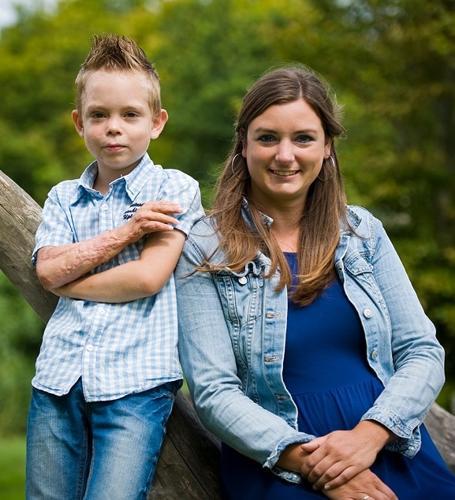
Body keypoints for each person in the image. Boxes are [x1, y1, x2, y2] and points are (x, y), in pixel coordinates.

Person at [175, 66, 455, 499]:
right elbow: (214, 392)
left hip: (388, 444)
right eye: (268, 138)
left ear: (327, 147)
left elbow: (422, 351)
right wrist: (316, 465)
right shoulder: (205, 246)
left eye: (303, 138)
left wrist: (369, 436)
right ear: (243, 145)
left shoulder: (363, 233)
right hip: (279, 461)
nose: (285, 155)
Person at [26, 34, 203, 500]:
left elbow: (146, 277)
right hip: (58, 379)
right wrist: (129, 231)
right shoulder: (64, 197)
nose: (113, 128)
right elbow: (48, 272)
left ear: (157, 123)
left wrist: (70, 280)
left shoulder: (174, 188)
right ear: (79, 122)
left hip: (135, 385)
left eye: (130, 115)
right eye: (99, 115)